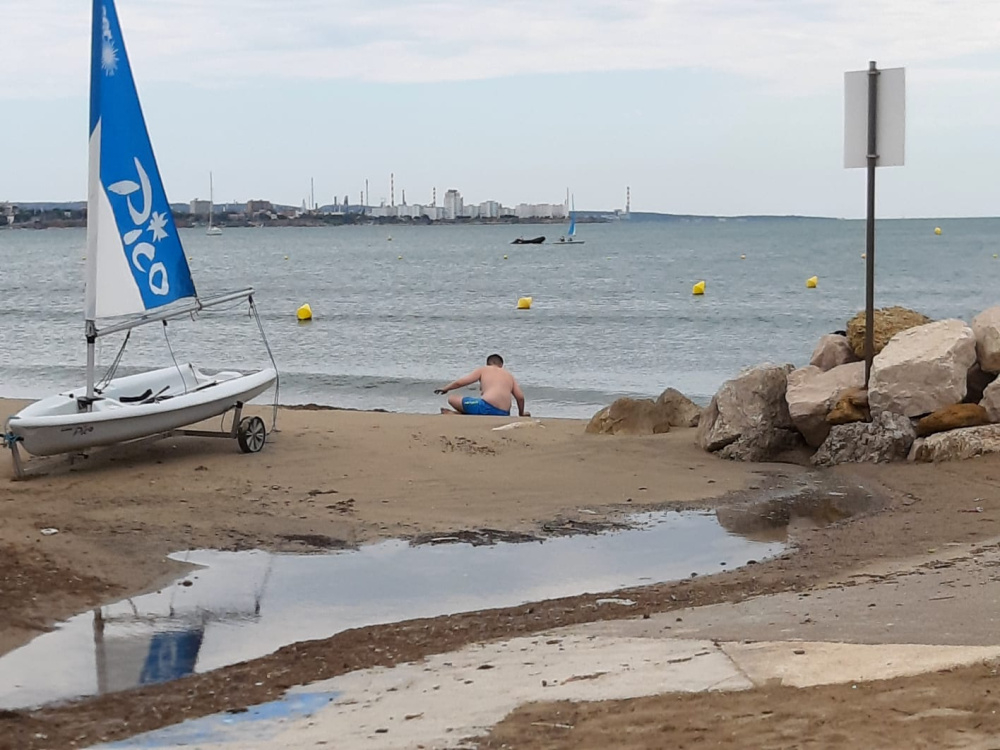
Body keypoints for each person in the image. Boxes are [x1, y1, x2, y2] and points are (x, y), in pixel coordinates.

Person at [435, 354, 529, 417]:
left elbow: (461, 382)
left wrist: (446, 388)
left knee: (452, 399)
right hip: (504, 413)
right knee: (478, 403)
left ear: (487, 364)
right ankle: (462, 414)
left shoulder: (484, 370)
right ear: (501, 365)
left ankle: (459, 414)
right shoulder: (509, 375)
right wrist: (521, 414)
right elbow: (520, 397)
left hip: (486, 407)